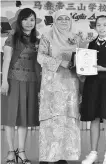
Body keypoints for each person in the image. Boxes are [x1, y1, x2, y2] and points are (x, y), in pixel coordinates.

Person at [37, 10, 81, 164]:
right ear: (54, 21)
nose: (63, 21)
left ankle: (63, 156)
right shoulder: (47, 36)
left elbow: (81, 58)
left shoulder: (75, 38)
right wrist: (59, 62)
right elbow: (40, 57)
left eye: (66, 19)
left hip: (70, 84)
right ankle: (48, 156)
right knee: (52, 119)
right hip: (52, 86)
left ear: (70, 21)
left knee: (68, 120)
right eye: (60, 18)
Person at [1, 8, 40, 164]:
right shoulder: (12, 38)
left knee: (24, 118)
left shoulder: (38, 40)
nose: (29, 23)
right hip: (12, 81)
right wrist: (4, 82)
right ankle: (11, 152)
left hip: (31, 82)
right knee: (10, 118)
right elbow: (6, 61)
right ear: (19, 21)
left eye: (32, 19)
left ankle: (22, 151)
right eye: (25, 19)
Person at [80, 15, 106, 164]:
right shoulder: (88, 45)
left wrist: (104, 68)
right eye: (99, 25)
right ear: (95, 27)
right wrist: (81, 71)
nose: (102, 27)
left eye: (105, 25)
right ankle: (93, 153)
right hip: (92, 84)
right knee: (94, 118)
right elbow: (83, 66)